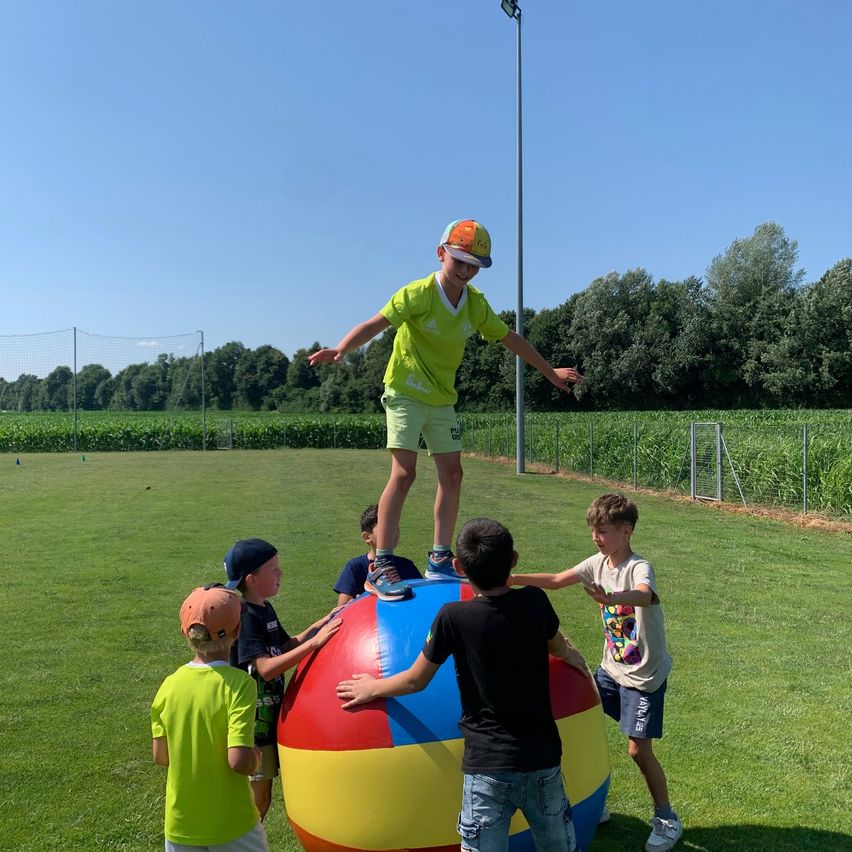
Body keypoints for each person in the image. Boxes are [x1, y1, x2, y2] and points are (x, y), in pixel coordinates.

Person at [309, 219, 583, 601]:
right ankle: (380, 563)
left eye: (475, 265)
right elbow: (376, 323)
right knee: (404, 472)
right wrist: (341, 349)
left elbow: (511, 339)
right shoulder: (418, 294)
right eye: (460, 262)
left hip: (441, 398)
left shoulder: (474, 305)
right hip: (404, 391)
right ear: (441, 254)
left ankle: (439, 558)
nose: (467, 271)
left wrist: (549, 371)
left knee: (453, 474)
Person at [337, 517, 587, 852]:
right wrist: (574, 656)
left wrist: (373, 687)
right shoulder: (534, 601)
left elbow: (415, 680)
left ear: (457, 566)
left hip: (487, 767)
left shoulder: (453, 616)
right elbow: (557, 646)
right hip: (541, 760)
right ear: (514, 560)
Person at [511, 494, 682, 852]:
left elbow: (643, 594)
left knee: (638, 750)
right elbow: (558, 579)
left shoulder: (638, 567)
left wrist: (612, 598)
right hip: (610, 672)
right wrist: (508, 578)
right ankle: (592, 800)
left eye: (602, 531)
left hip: (642, 680)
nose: (595, 537)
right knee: (576, 719)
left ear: (626, 530)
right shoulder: (598, 563)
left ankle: (666, 819)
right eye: (593, 530)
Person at [225, 538, 342, 821]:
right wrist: (313, 646)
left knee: (263, 797)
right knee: (258, 798)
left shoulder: (264, 609)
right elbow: (265, 668)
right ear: (252, 579)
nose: (281, 574)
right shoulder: (248, 615)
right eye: (274, 570)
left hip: (269, 716)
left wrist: (321, 624)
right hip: (253, 723)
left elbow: (286, 646)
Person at [151, 584, 270, 852]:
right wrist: (256, 758)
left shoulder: (168, 686)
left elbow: (161, 757)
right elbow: (238, 761)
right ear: (238, 631)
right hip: (232, 824)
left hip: (181, 825)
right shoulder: (239, 684)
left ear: (185, 632)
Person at [333, 504, 423, 604]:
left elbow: (422, 597)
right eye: (386, 529)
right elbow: (341, 609)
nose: (393, 532)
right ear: (367, 537)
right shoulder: (355, 567)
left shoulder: (407, 565)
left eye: (395, 527)